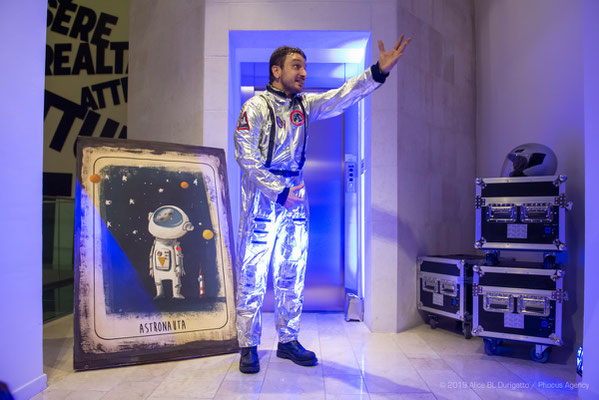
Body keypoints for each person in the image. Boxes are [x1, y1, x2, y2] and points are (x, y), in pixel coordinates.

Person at [234, 35, 412, 373]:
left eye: (305, 67)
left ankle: (288, 340)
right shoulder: (255, 107)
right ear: (276, 71)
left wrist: (377, 72)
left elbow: (341, 96)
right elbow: (245, 155)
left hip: (296, 196)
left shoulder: (304, 106)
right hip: (262, 198)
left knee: (292, 268)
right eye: (296, 66)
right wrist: (278, 191)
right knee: (252, 271)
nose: (303, 73)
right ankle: (248, 344)